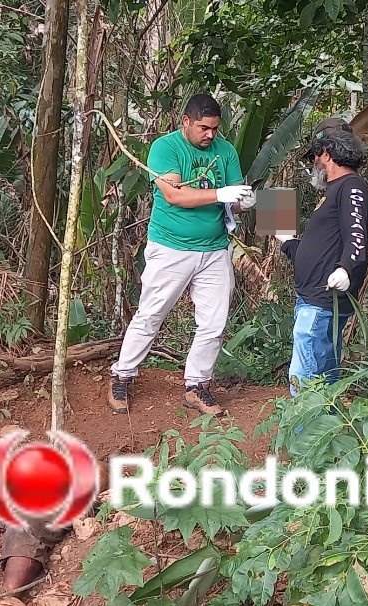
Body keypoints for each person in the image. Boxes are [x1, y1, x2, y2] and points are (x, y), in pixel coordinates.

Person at [107, 93, 255, 416]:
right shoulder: (166, 148)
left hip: (214, 248)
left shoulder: (226, 151)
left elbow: (232, 199)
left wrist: (240, 201)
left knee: (214, 322)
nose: (210, 135)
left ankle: (196, 385)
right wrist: (220, 193)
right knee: (151, 314)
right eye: (204, 128)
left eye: (215, 129)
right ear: (186, 122)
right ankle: (122, 374)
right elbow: (173, 194)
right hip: (171, 246)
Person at [277, 117, 368, 397]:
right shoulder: (334, 191)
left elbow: (357, 237)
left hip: (322, 303)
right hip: (313, 300)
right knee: (323, 380)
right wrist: (288, 244)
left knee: (304, 382)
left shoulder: (351, 187)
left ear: (326, 154)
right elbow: (322, 249)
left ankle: (303, 440)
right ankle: (326, 436)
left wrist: (347, 268)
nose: (314, 163)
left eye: (315, 156)